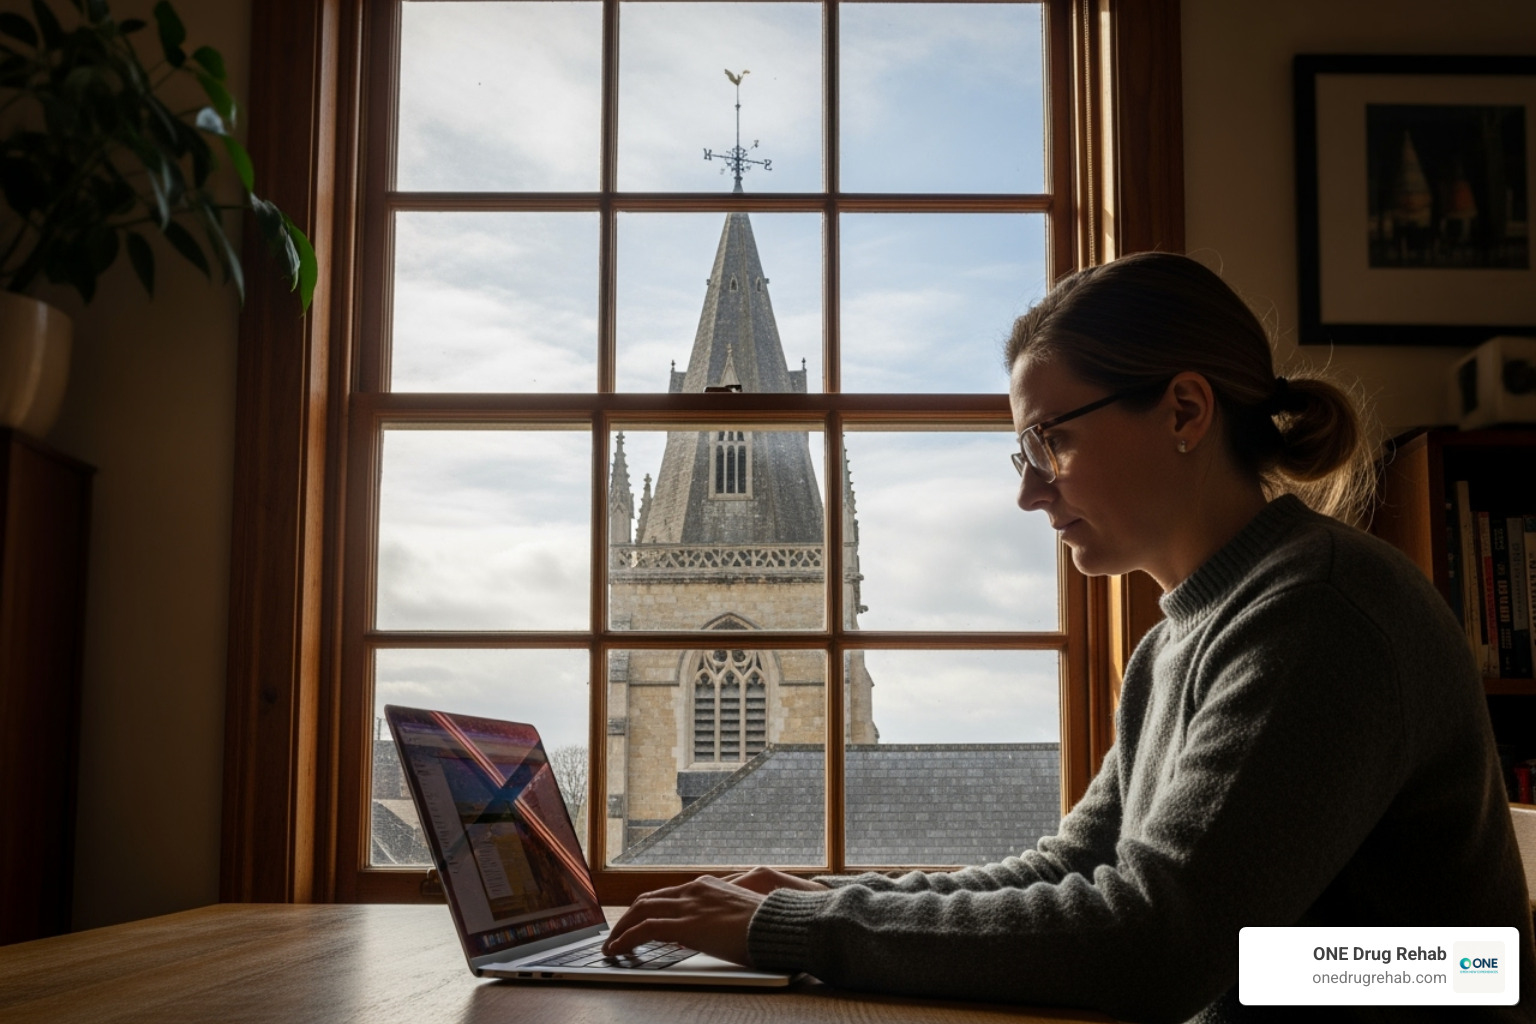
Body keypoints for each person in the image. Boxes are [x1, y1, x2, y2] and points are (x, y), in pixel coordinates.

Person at [603, 252, 1535, 1022]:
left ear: (1184, 411)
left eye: (1051, 441)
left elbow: (1153, 944)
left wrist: (796, 929)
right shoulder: (1184, 633)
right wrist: (815, 899)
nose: (1028, 489)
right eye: (1024, 452)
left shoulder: (1319, 614)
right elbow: (1074, 868)